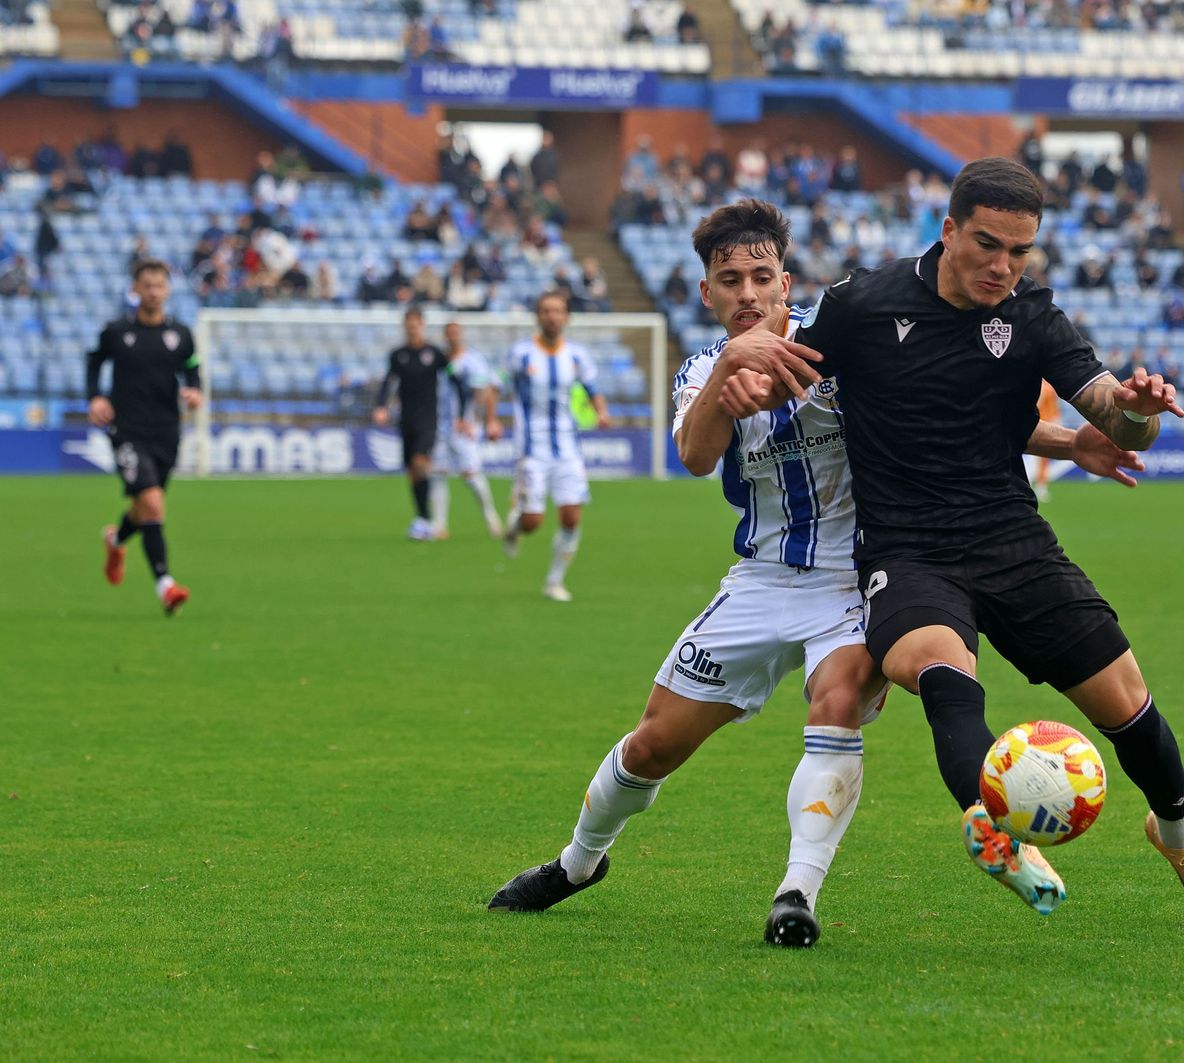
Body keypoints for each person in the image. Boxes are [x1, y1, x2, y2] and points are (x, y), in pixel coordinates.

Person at [486, 199, 1146, 940]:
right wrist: (727, 378)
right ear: (706, 293)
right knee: (651, 744)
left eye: (760, 276)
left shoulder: (844, 341)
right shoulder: (704, 368)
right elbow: (696, 454)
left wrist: (1069, 442)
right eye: (728, 279)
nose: (746, 293)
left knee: (834, 702)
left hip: (858, 576)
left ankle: (796, 894)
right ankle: (578, 862)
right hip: (760, 579)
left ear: (785, 283)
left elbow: (963, 412)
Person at [778, 157, 1184, 926]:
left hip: (1011, 537)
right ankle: (997, 831)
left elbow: (1116, 418)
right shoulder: (862, 303)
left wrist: (1136, 410)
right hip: (906, 549)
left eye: (1020, 251)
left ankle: (1180, 835)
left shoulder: (1031, 318)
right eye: (988, 245)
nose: (1003, 266)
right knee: (942, 674)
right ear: (949, 228)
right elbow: (787, 380)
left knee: (1127, 702)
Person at [87, 260, 202, 616]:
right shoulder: (116, 332)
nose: (153, 292)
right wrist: (95, 396)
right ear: (135, 290)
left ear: (167, 290)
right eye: (146, 285)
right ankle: (165, 586)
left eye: (159, 286)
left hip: (166, 431)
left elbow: (192, 369)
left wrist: (195, 391)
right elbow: (94, 362)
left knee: (143, 509)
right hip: (127, 431)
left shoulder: (181, 334)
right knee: (152, 504)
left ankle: (116, 539)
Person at [499, 291, 611, 601]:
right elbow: (496, 385)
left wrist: (601, 411)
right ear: (538, 316)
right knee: (533, 522)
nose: (552, 316)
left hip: (567, 447)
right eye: (546, 310)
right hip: (531, 449)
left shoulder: (576, 355)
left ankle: (554, 581)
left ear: (566, 317)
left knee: (571, 516)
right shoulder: (520, 353)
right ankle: (515, 524)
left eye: (557, 311)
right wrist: (492, 420)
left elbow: (593, 388)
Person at [372, 308, 465, 541]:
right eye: (408, 325)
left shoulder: (434, 354)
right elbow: (388, 381)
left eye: (415, 325)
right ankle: (422, 518)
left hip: (428, 419)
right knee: (412, 471)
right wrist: (381, 406)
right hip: (406, 419)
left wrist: (462, 414)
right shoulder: (398, 355)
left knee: (420, 462)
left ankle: (429, 519)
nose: (412, 329)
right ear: (404, 327)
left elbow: (456, 381)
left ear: (422, 325)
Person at [428, 321, 505, 541]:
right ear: (444, 335)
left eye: (456, 332)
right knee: (438, 473)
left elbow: (484, 392)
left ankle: (490, 516)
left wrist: (485, 419)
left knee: (471, 475)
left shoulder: (474, 361)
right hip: (439, 425)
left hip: (465, 425)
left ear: (461, 335)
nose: (452, 336)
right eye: (449, 333)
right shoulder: (439, 360)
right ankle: (439, 525)